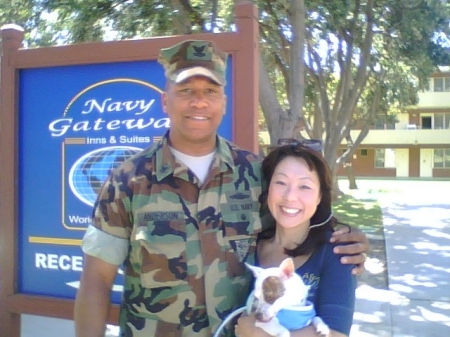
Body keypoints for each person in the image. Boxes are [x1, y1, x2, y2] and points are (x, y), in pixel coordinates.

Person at [74, 39, 368, 337]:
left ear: (223, 103)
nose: (199, 102)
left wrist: (346, 241)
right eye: (186, 90)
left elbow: (296, 221)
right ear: (165, 101)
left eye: (210, 92)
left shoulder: (255, 174)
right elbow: (96, 279)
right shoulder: (127, 180)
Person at [235, 140, 356, 337]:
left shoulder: (336, 252)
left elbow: (337, 333)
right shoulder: (248, 244)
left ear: (319, 197)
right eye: (281, 183)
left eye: (305, 187)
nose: (290, 196)